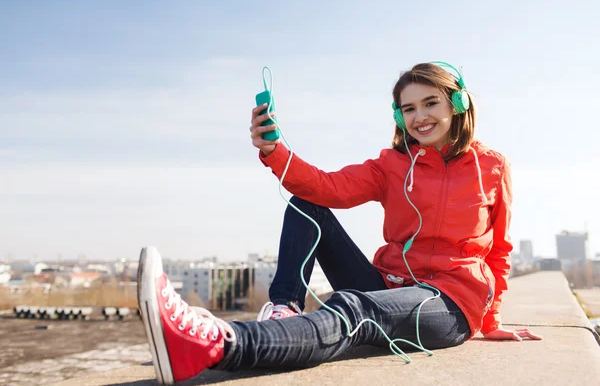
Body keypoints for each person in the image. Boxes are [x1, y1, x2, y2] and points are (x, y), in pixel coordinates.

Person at [137, 62, 542, 385]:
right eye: (408, 108)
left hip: (449, 304)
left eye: (430, 103)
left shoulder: (491, 166)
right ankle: (283, 309)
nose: (419, 116)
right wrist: (275, 150)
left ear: (457, 103)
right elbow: (326, 187)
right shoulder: (391, 165)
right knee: (306, 205)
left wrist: (491, 322)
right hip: (389, 285)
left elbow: (501, 249)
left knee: (354, 308)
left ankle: (219, 345)